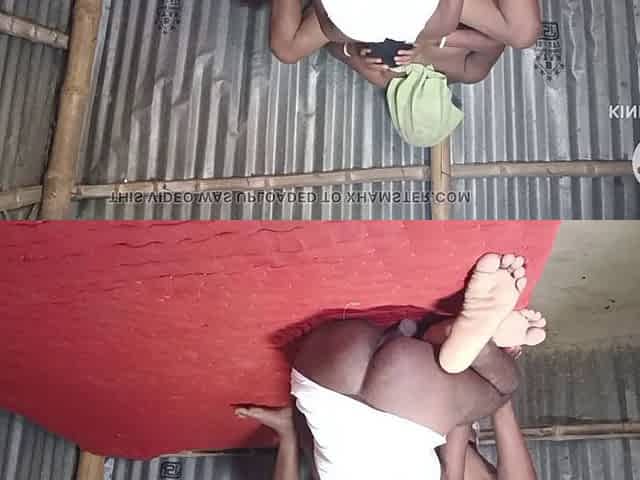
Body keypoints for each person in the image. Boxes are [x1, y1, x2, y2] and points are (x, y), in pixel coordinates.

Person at [235, 253, 546, 479]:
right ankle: (454, 340)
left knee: (504, 388)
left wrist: (486, 384)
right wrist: (290, 433)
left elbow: (454, 454)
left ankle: (470, 342)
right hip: (325, 371)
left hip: (411, 396)